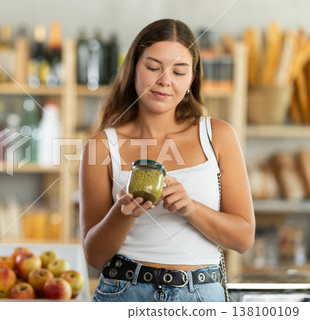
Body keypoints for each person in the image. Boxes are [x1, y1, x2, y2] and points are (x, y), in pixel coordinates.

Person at [79, 19, 255, 302]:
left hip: (200, 297)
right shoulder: (101, 146)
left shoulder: (218, 136)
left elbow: (244, 239)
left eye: (179, 71)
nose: (165, 80)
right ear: (133, 67)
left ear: (192, 79)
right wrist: (123, 212)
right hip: (124, 292)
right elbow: (95, 256)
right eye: (153, 67)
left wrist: (190, 207)